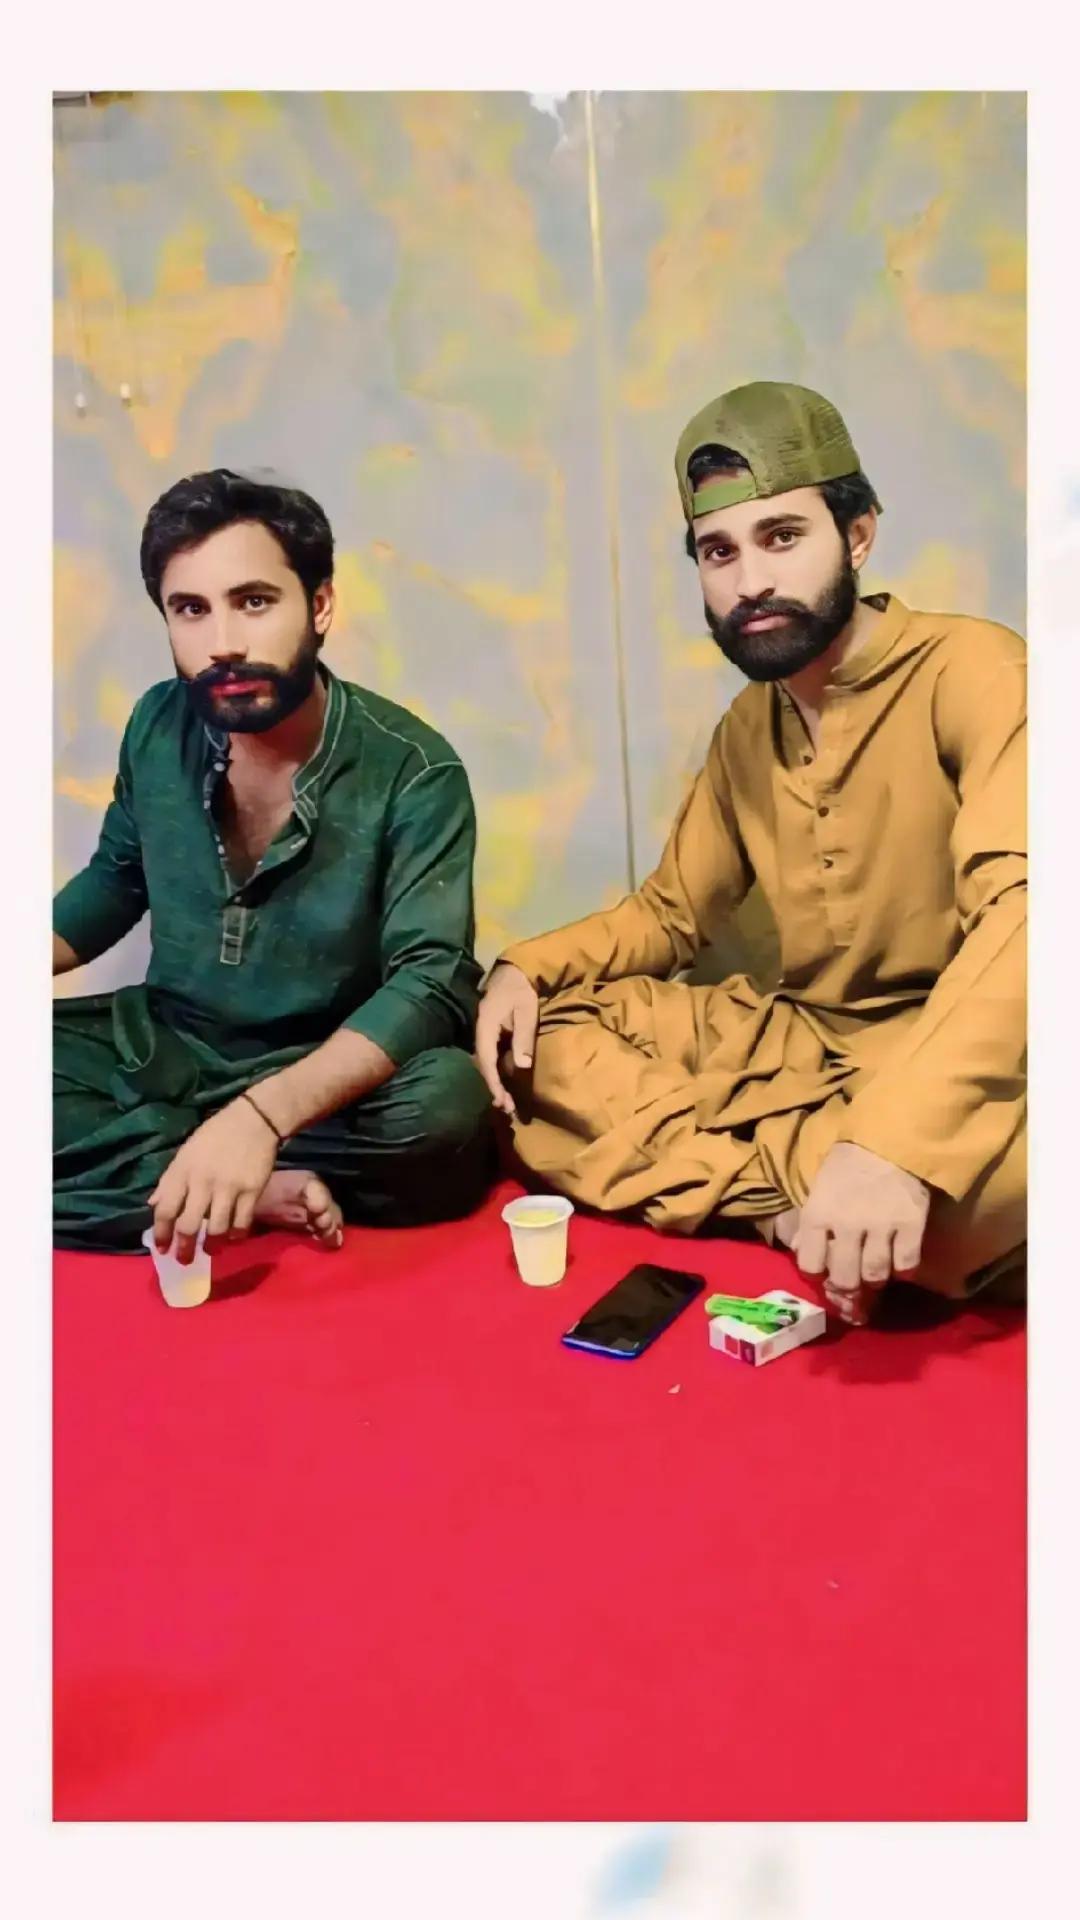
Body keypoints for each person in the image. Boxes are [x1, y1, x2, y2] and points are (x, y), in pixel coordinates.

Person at [476, 381, 1025, 1325]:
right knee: (542, 1043)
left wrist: (894, 1142)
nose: (749, 581)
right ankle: (795, 1211)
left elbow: (1029, 917)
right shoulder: (747, 724)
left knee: (997, 1185)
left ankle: (829, 1193)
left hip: (968, 1053)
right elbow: (669, 916)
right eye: (719, 552)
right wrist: (525, 967)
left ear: (857, 535)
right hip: (806, 1042)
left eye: (782, 537)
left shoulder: (977, 672)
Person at [54, 468, 492, 1259]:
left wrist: (263, 1115)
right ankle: (242, 1190)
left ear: (319, 606)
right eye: (191, 609)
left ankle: (181, 1169)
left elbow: (430, 984)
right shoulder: (158, 722)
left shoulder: (415, 771)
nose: (223, 642)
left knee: (445, 1112)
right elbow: (115, 881)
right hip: (169, 1047)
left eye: (253, 601)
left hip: (323, 1073)